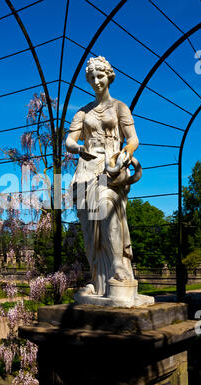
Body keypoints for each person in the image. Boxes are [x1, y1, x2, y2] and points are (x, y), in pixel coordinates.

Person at [65, 56, 140, 297]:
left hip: (110, 167)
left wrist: (126, 153)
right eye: (92, 77)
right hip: (86, 170)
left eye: (100, 76)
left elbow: (133, 139)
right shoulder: (82, 112)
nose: (96, 81)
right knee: (89, 228)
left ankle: (118, 267)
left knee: (107, 209)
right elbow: (69, 140)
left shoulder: (120, 107)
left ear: (109, 77)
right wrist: (78, 148)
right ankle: (97, 280)